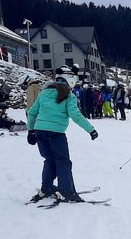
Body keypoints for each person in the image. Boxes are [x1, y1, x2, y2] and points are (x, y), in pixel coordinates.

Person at [26, 74, 98, 203]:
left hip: (40, 131)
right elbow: (75, 115)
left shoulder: (43, 94)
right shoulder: (69, 96)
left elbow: (32, 112)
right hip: (56, 133)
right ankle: (66, 192)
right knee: (63, 162)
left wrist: (31, 131)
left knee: (49, 160)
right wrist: (91, 130)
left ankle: (46, 188)